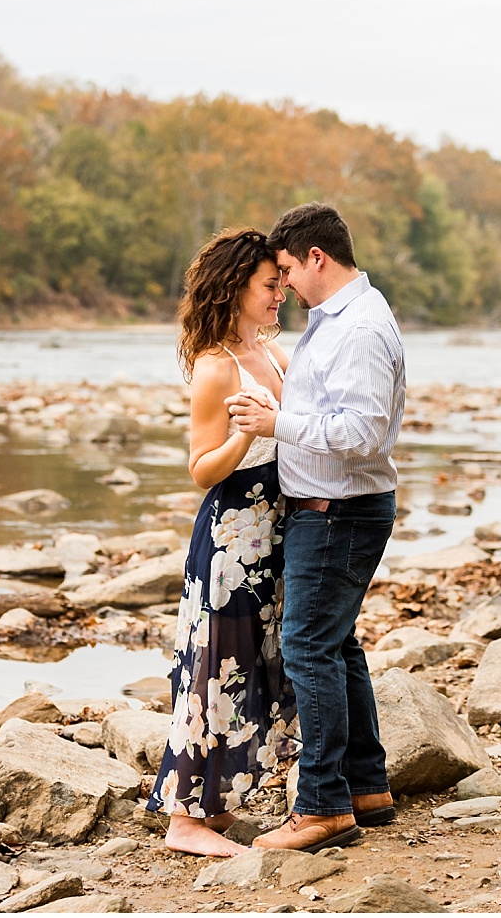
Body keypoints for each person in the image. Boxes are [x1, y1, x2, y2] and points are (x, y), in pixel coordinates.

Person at [227, 202, 406, 854]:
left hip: (338, 513)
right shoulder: (339, 319)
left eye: (286, 271)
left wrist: (277, 425)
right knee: (338, 643)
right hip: (341, 508)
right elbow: (336, 413)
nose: (285, 286)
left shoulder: (356, 327)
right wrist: (287, 413)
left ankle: (324, 805)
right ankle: (365, 784)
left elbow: (358, 435)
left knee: (307, 646)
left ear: (316, 259)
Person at [145, 227, 300, 858]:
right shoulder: (215, 368)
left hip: (278, 532)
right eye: (270, 284)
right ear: (237, 287)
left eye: (284, 282)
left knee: (267, 665)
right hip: (232, 540)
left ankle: (221, 805)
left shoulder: (274, 352)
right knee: (216, 671)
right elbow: (202, 470)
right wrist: (243, 438)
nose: (280, 294)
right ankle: (185, 819)